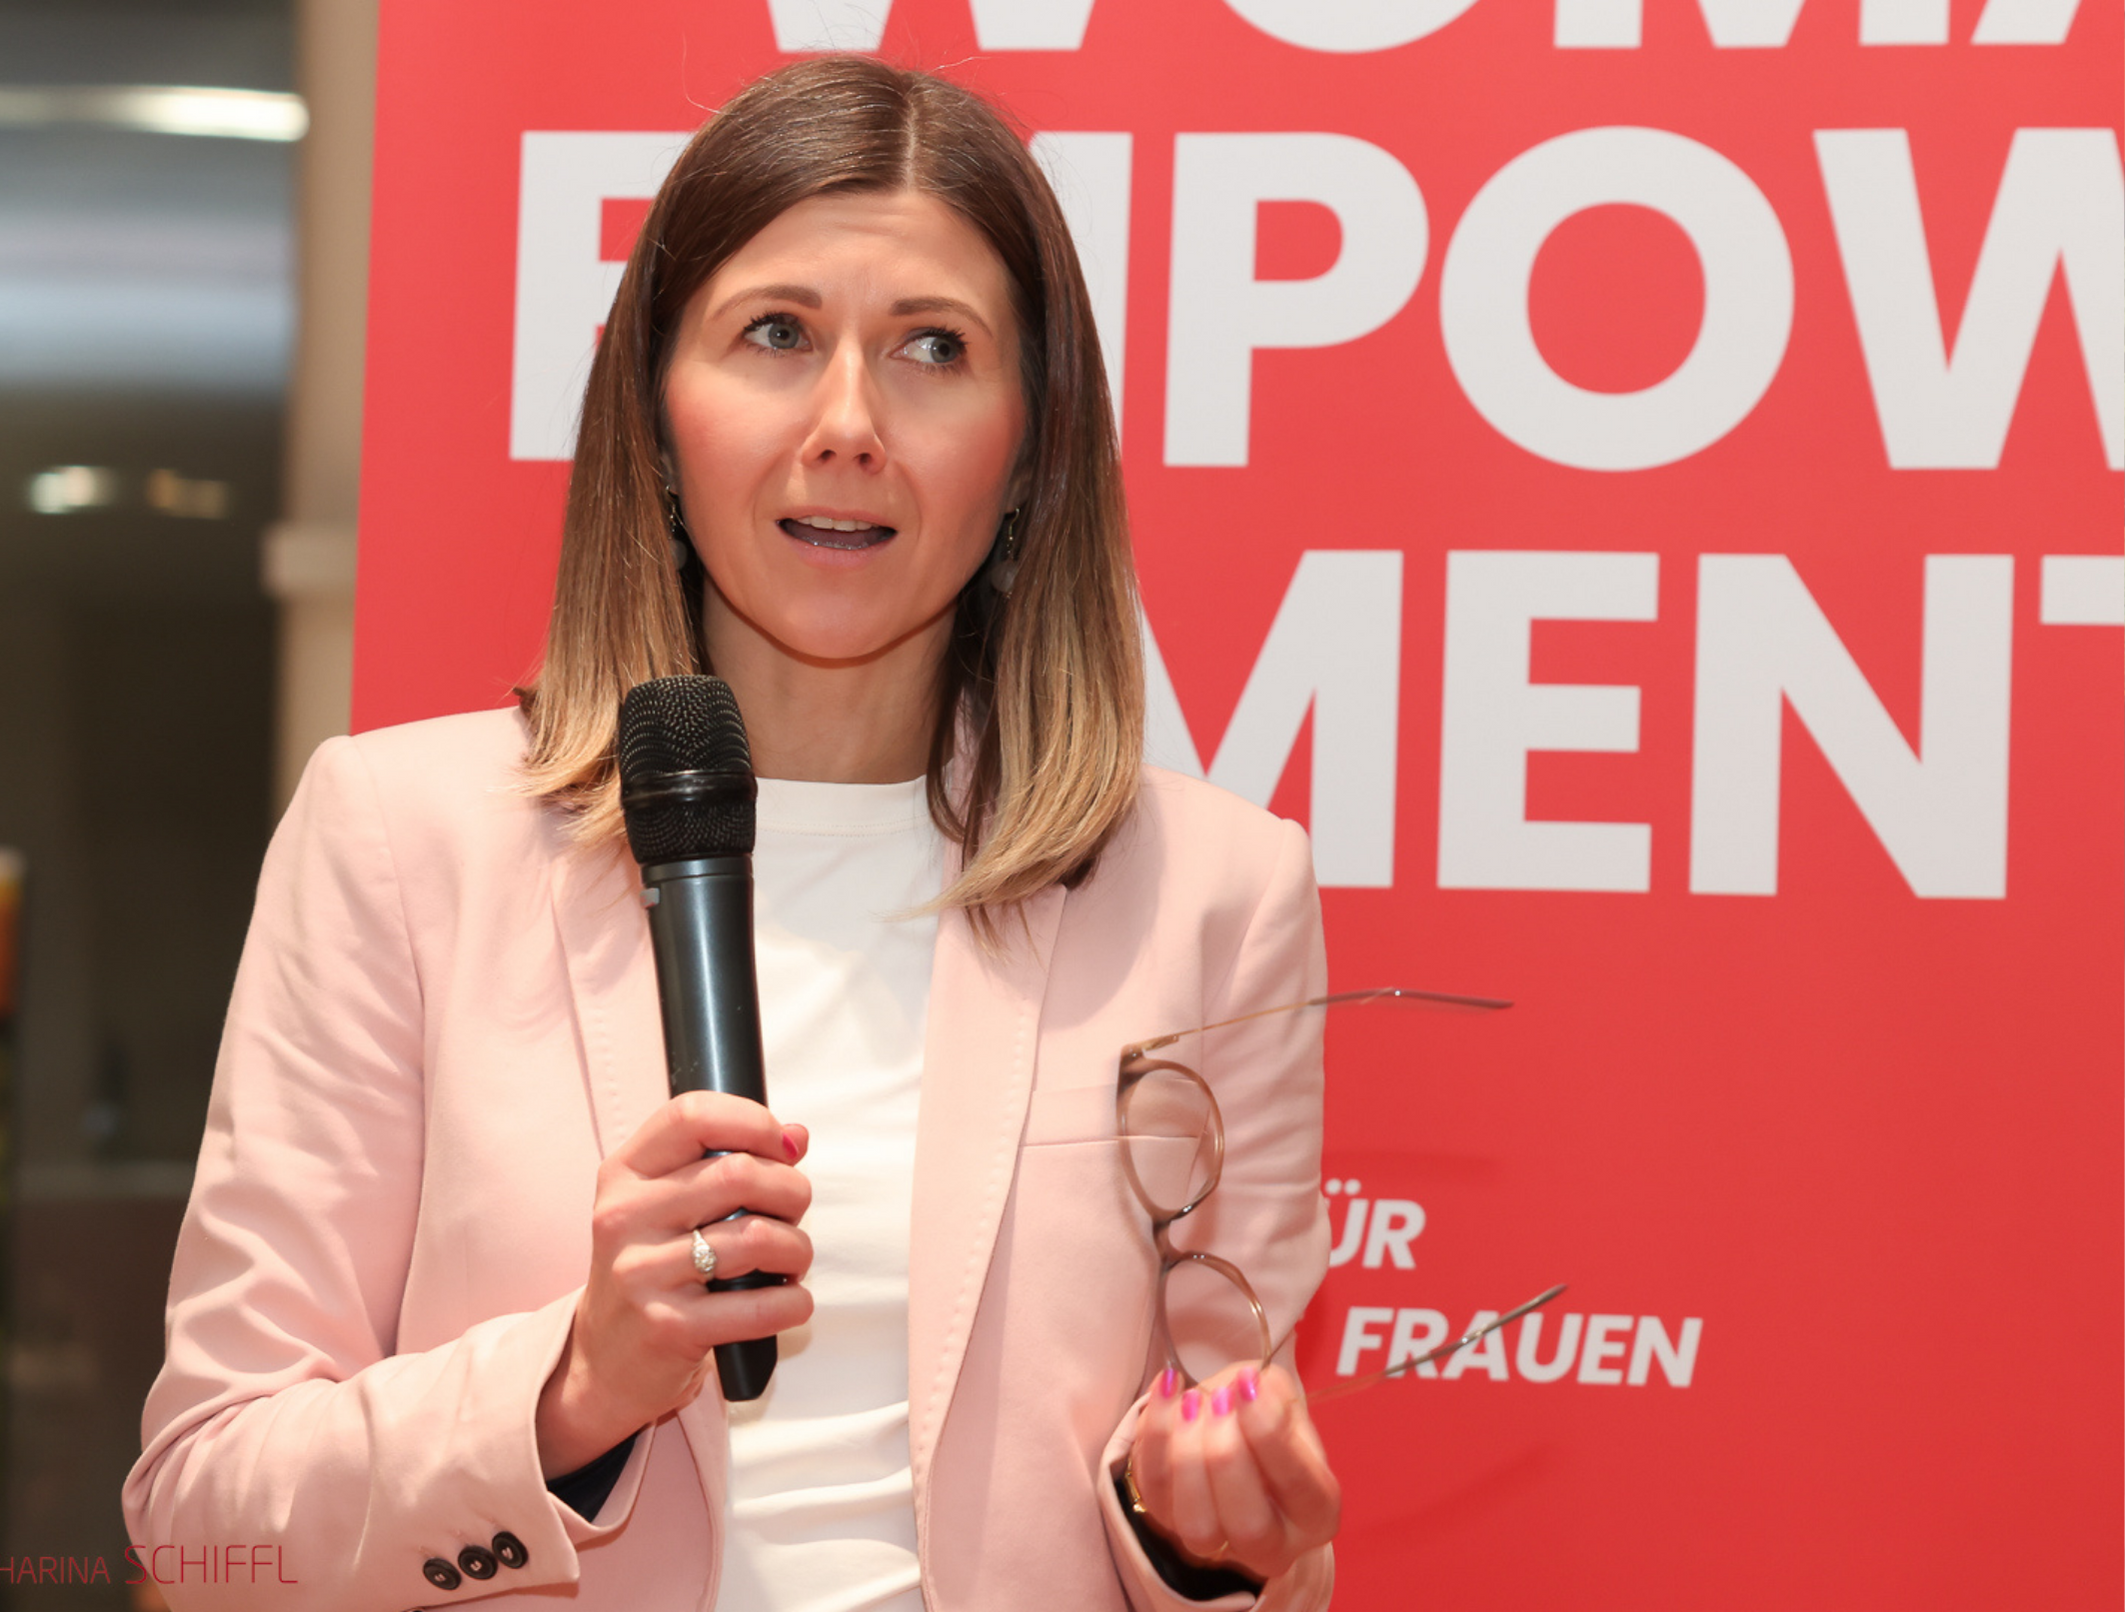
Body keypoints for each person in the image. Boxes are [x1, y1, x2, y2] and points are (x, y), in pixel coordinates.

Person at [123, 56, 1338, 1612]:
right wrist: (570, 1390)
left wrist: (1203, 1535)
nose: (849, 423)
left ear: (1029, 450)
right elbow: (203, 1525)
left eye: (934, 348)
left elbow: (1253, 1526)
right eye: (777, 334)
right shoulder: (398, 843)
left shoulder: (1216, 896)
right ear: (656, 413)